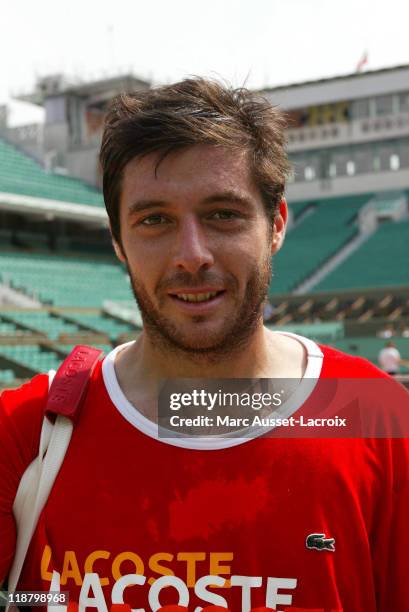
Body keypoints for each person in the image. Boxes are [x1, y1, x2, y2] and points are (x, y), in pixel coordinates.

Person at [0, 78, 408, 612]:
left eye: (223, 214)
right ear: (118, 241)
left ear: (277, 223)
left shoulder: (380, 419)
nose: (191, 254)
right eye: (154, 221)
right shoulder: (29, 430)